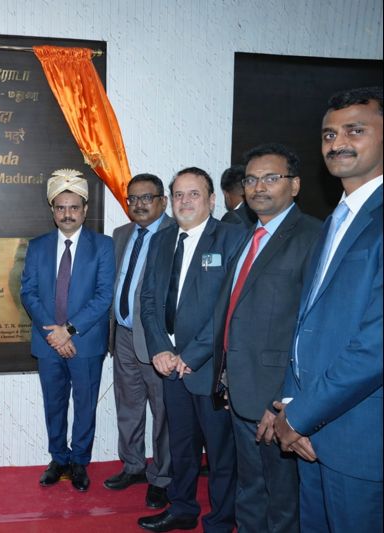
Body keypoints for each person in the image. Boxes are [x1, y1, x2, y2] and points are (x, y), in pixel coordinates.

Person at [273, 86, 383, 531]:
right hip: (313, 431)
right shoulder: (335, 219)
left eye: (355, 131)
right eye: (329, 135)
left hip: (360, 437)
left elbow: (375, 347)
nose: (338, 143)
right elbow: (308, 323)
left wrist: (300, 416)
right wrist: (289, 404)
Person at [205, 144, 321, 532]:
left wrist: (284, 400)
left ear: (295, 185)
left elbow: (312, 328)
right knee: (250, 489)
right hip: (241, 390)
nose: (258, 187)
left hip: (277, 400)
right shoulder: (247, 235)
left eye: (271, 178)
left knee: (283, 501)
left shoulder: (313, 237)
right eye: (251, 179)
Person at [138, 167, 245, 532]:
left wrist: (192, 354)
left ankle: (221, 520)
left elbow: (228, 307)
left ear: (212, 200)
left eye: (194, 194)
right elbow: (148, 300)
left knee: (220, 451)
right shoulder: (162, 239)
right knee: (181, 445)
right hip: (169, 364)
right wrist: (159, 348)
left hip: (210, 368)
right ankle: (182, 509)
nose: (185, 201)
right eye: (179, 194)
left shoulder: (232, 238)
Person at [20, 169, 115, 492]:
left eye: (74, 207)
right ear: (53, 211)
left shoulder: (103, 246)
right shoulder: (38, 246)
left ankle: (79, 462)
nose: (67, 214)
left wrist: (69, 330)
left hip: (85, 342)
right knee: (54, 403)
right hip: (48, 342)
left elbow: (104, 295)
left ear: (85, 210)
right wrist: (54, 334)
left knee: (85, 405)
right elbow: (29, 293)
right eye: (60, 207)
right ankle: (59, 459)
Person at [104, 173, 173, 508]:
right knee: (128, 405)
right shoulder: (121, 234)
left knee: (164, 413)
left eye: (147, 197)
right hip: (123, 336)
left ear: (163, 201)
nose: (139, 204)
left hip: (157, 342)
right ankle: (133, 465)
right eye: (133, 199)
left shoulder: (176, 234)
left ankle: (162, 477)